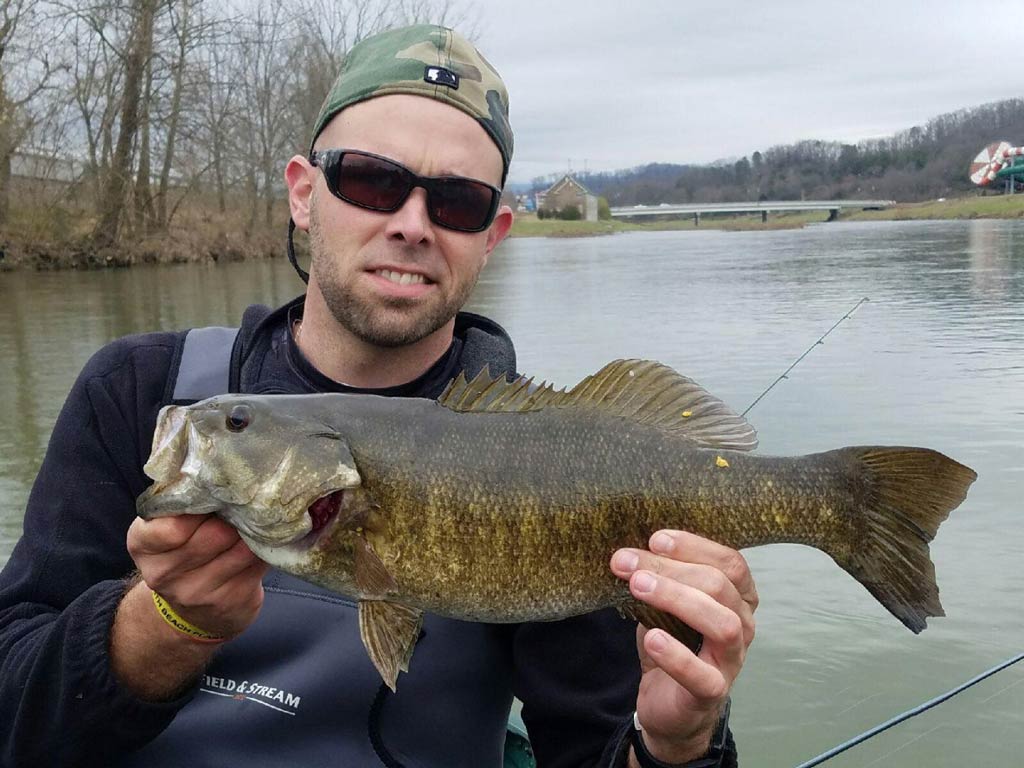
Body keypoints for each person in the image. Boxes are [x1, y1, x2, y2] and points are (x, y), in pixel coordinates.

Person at [0, 24, 755, 768]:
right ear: (304, 194)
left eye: (456, 203)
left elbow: (595, 752)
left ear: (491, 236)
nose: (411, 225)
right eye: (371, 179)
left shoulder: (558, 459)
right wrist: (159, 626)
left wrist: (677, 747)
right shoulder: (136, 393)